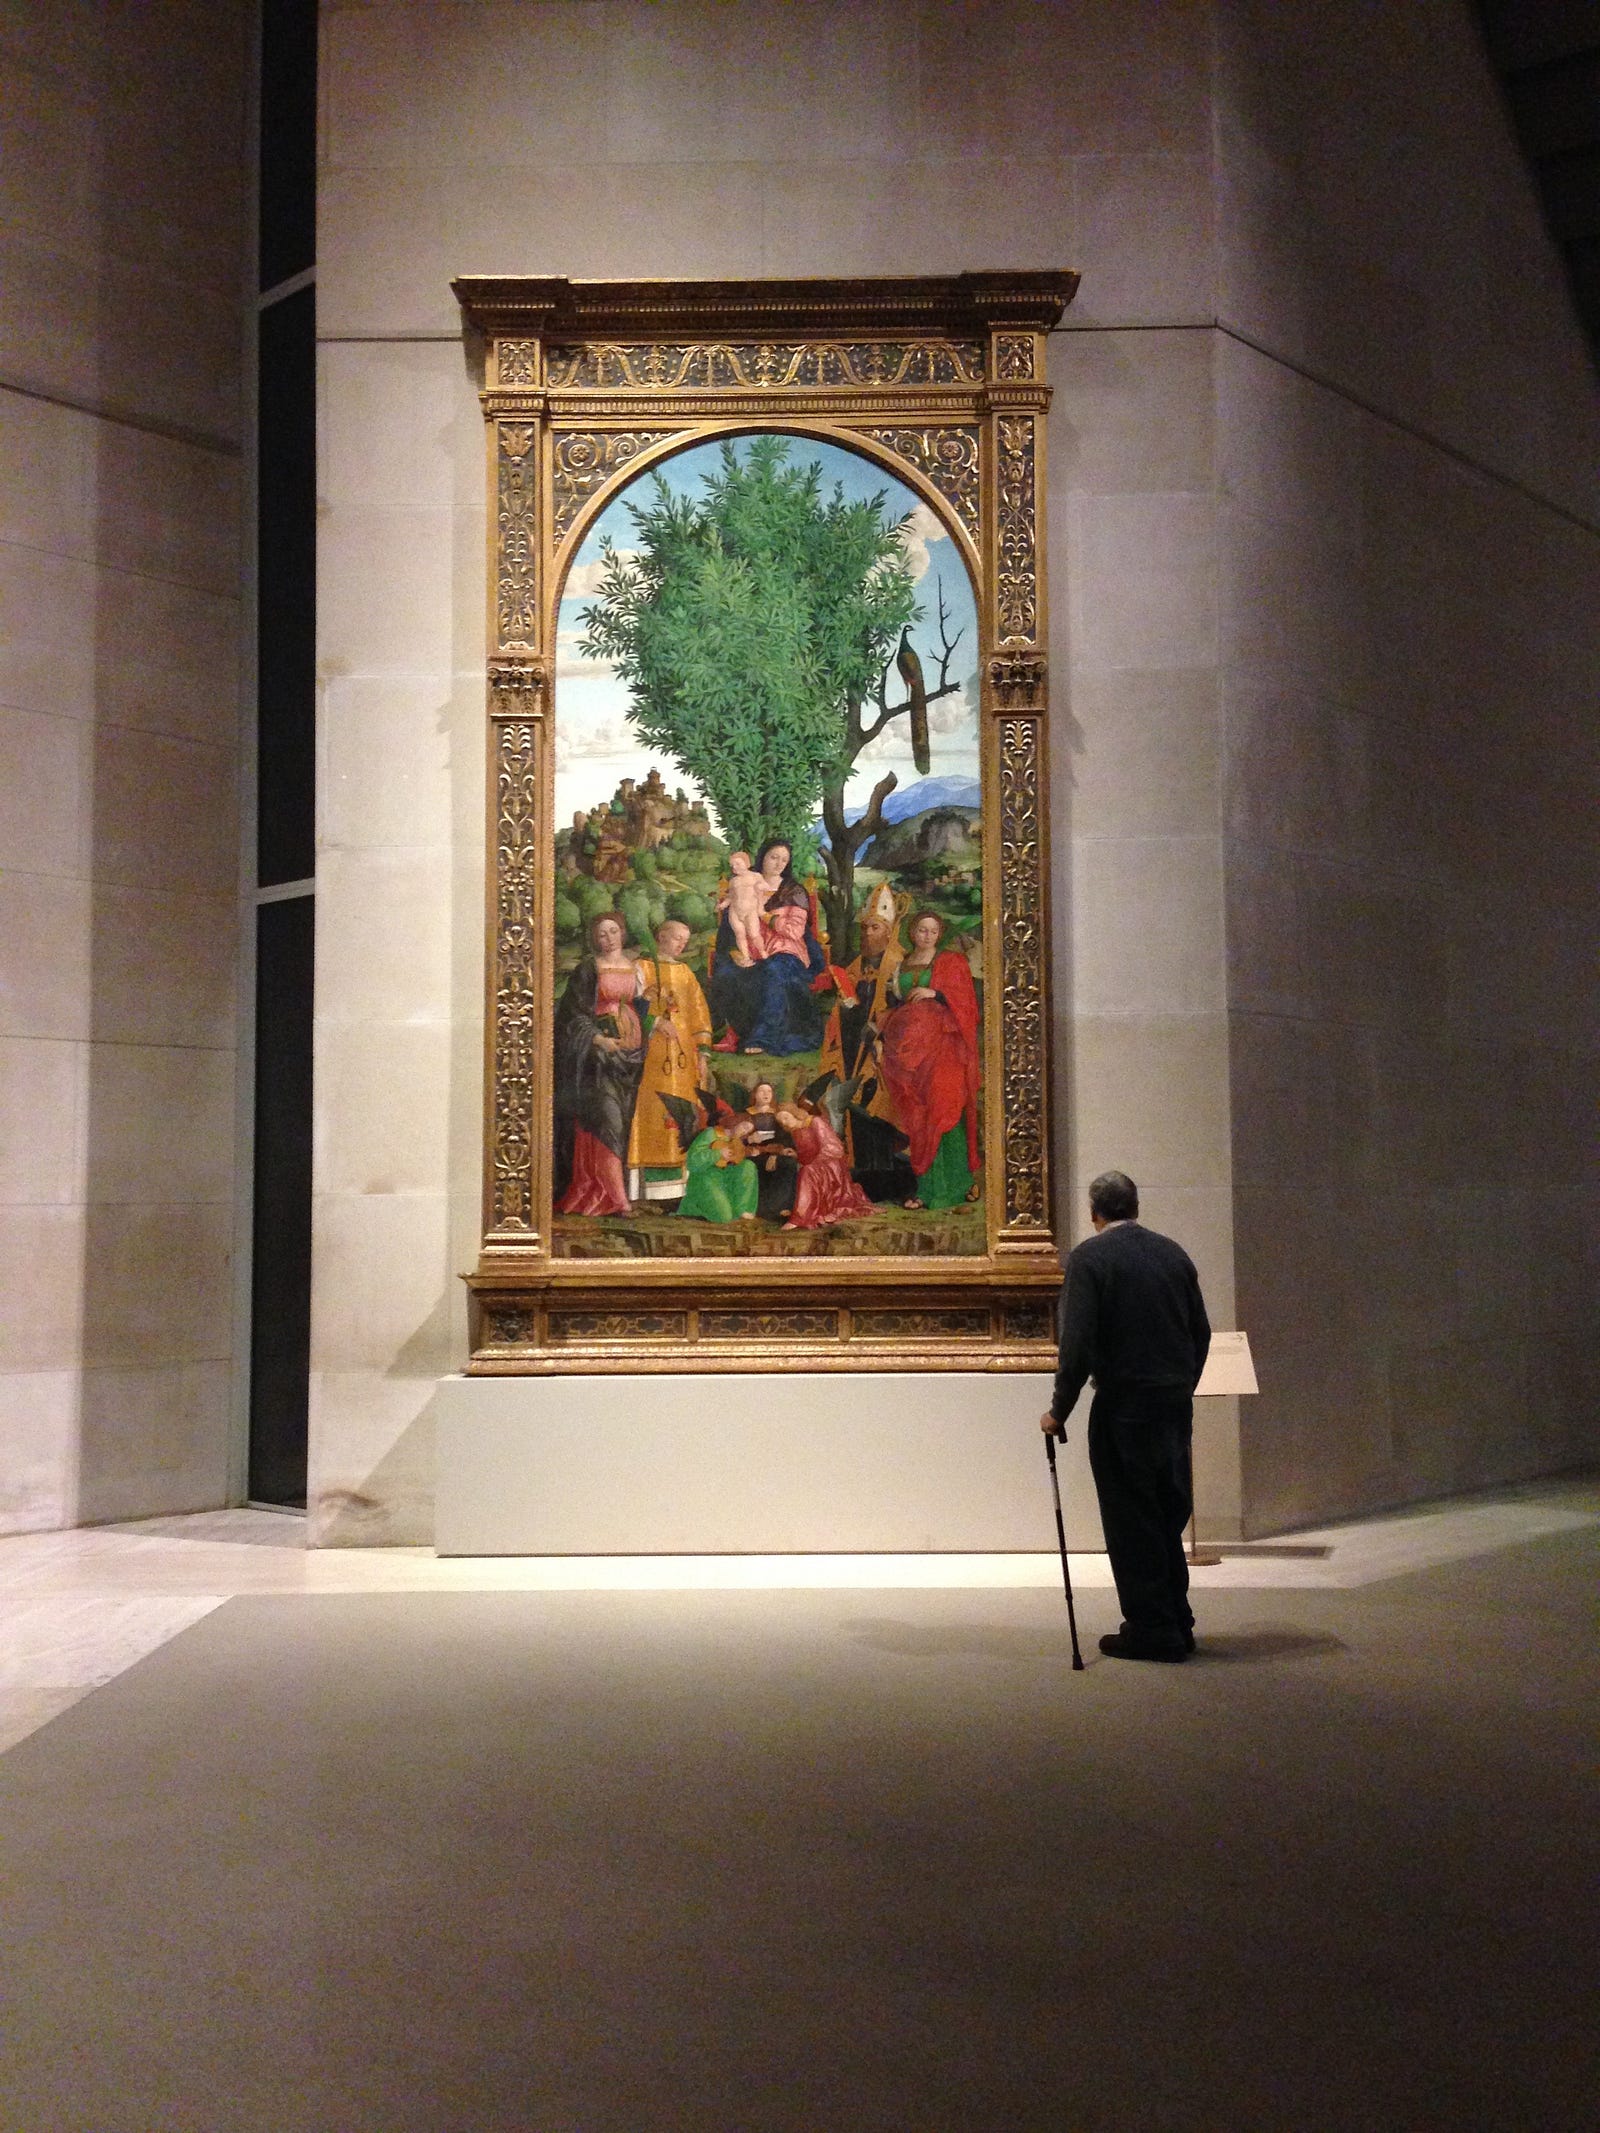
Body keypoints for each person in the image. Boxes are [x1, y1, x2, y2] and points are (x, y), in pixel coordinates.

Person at [1040, 1170, 1211, 1662]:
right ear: (1135, 1206)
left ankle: (1153, 1629)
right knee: (1166, 1512)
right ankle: (1176, 1620)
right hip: (1172, 1405)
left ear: (1094, 1212)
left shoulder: (1090, 1259)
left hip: (1124, 1407)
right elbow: (1200, 1333)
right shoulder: (1173, 1254)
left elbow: (1076, 1345)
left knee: (1131, 1517)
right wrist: (1180, 1386)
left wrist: (1059, 1411)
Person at [877, 909, 981, 1210]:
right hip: (909, 1051)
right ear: (913, 932)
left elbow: (967, 1005)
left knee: (944, 1109)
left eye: (933, 931)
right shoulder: (901, 964)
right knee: (919, 1116)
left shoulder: (950, 962)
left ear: (940, 934)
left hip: (944, 1048)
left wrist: (935, 993)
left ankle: (959, 1185)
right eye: (922, 930)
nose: (927, 936)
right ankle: (925, 1190)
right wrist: (881, 1035)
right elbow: (894, 1003)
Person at [552, 914, 645, 1216]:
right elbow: (572, 1015)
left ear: (623, 933)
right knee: (607, 1122)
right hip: (598, 1058)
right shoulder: (588, 969)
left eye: (614, 931)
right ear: (594, 938)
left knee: (624, 1123)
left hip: (632, 1055)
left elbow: (645, 1008)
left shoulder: (637, 967)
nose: (609, 938)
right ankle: (617, 1199)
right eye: (602, 934)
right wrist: (598, 1039)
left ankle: (616, 1192)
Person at [707, 839, 829, 1055]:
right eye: (774, 857)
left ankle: (764, 1037)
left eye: (784, 860)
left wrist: (764, 916)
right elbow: (728, 929)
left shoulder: (793, 891)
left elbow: (794, 932)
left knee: (773, 970)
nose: (779, 863)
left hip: (786, 951)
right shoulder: (744, 883)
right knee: (728, 973)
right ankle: (736, 1033)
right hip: (749, 951)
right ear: (762, 857)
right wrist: (735, 953)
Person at [628, 918, 713, 1201]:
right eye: (677, 938)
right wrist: (654, 1022)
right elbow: (629, 1009)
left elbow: (699, 1013)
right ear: (661, 936)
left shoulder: (685, 972)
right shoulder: (641, 967)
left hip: (684, 1058)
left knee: (684, 1113)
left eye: (685, 941)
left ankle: (680, 1188)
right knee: (652, 1109)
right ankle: (647, 1190)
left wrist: (703, 1054)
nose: (681, 945)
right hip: (652, 1057)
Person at [776, 1100, 874, 1231]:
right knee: (802, 1170)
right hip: (815, 1166)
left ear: (794, 1113)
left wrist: (815, 1163)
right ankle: (799, 1210)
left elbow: (835, 1148)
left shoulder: (815, 1121)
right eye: (781, 1121)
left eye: (785, 1117)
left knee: (807, 1171)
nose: (784, 1122)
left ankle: (799, 1218)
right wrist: (796, 1155)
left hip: (831, 1165)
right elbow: (806, 1157)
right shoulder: (795, 1132)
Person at [679, 1115, 759, 1224]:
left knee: (748, 1165)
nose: (744, 1132)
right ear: (736, 1122)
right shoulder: (711, 1133)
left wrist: (748, 1153)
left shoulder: (736, 1141)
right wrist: (718, 1153)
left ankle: (742, 1209)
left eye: (747, 1131)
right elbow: (692, 1161)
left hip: (724, 1177)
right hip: (705, 1177)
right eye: (744, 1127)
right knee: (724, 1216)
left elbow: (736, 1160)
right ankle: (694, 1207)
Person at [718, 852, 770, 965]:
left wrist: (760, 886)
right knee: (740, 935)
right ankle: (746, 957)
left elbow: (767, 887)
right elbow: (731, 896)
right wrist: (723, 905)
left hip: (750, 911)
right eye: (732, 866)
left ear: (747, 863)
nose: (734, 867)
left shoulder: (755, 876)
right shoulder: (733, 881)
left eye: (737, 864)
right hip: (735, 912)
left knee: (754, 934)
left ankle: (762, 952)